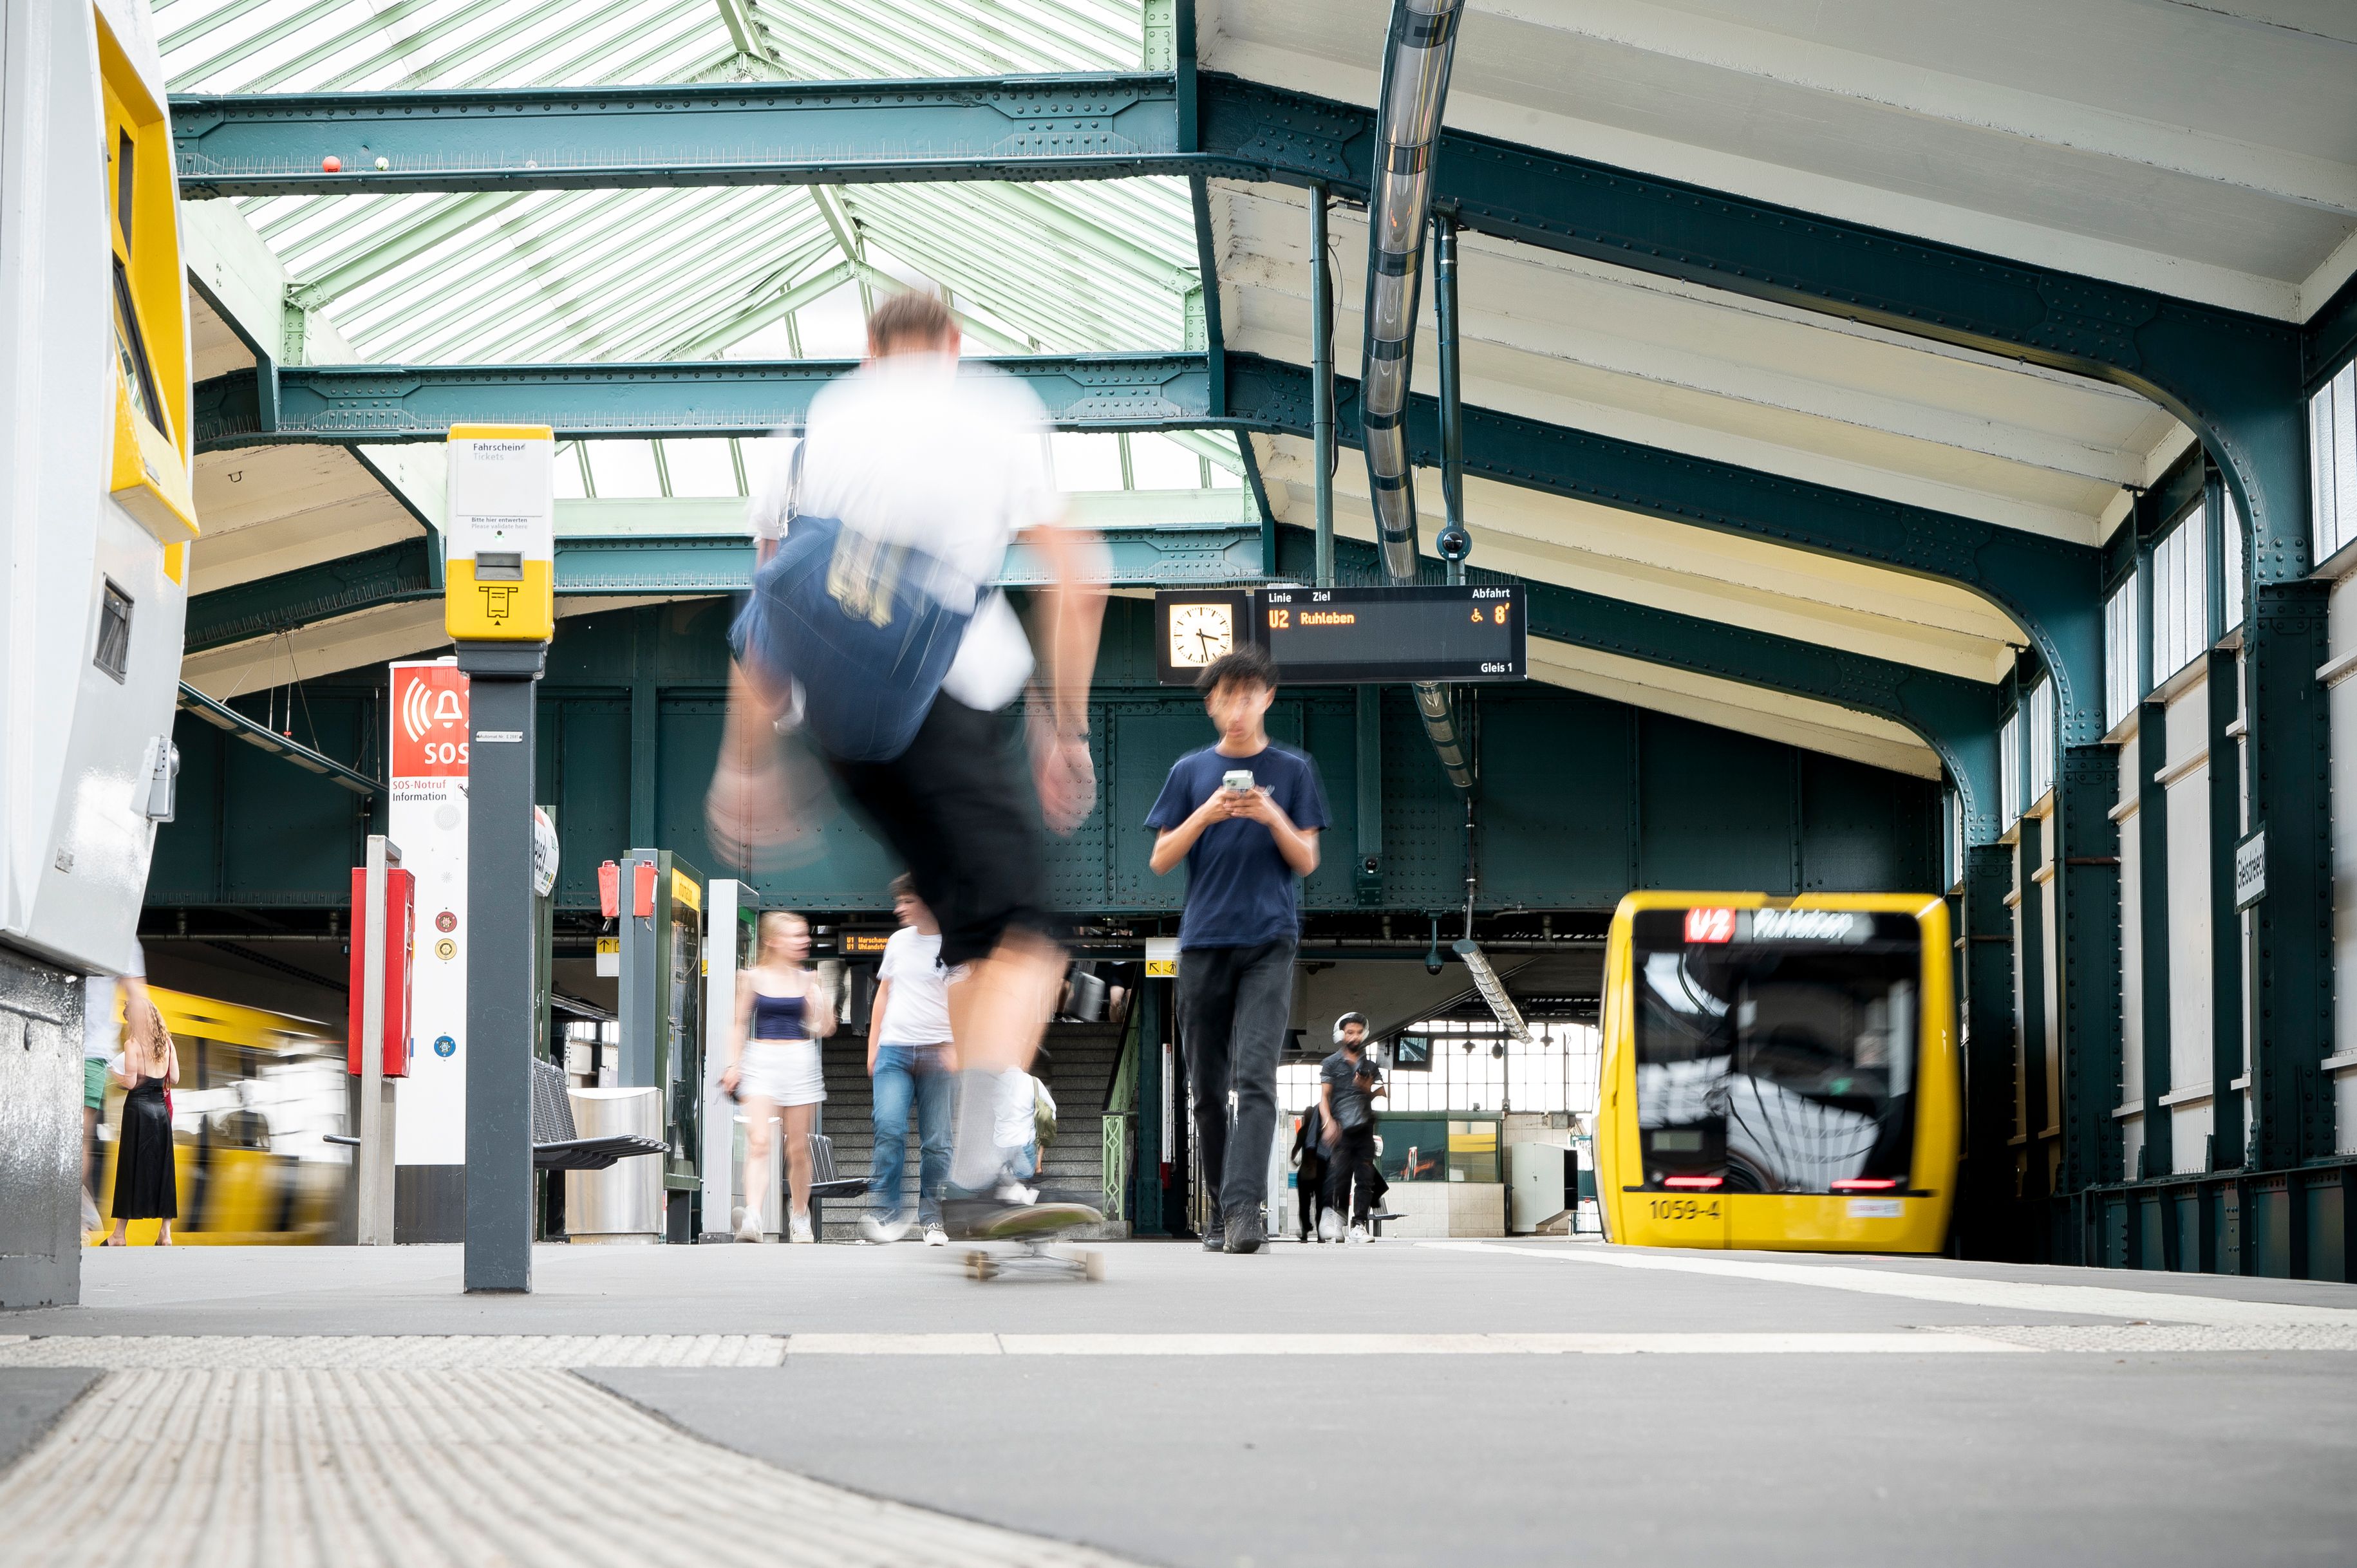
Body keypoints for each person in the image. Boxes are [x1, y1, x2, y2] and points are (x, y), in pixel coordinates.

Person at [708, 290, 1105, 1238]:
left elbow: (767, 605)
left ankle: (973, 1176)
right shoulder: (993, 410)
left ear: (871, 349)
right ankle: (976, 1177)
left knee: (972, 936)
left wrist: (749, 764)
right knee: (1030, 934)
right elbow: (1077, 571)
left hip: (845, 733)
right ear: (954, 346)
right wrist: (1065, 726)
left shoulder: (814, 427)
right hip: (942, 698)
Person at [1146, 642, 1329, 1254]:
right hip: (1201, 944)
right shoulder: (1188, 772)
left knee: (1255, 1078)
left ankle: (1243, 1210)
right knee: (1206, 1089)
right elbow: (1161, 858)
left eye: (1248, 695)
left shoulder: (1294, 770)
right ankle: (1223, 1212)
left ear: (1267, 699)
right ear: (1211, 705)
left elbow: (1305, 859)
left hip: (1268, 943)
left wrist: (1270, 814)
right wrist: (1206, 814)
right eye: (1225, 697)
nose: (1237, 708)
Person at [720, 911, 836, 1243]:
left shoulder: (809, 981)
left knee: (798, 1148)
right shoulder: (752, 978)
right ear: (772, 940)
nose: (805, 941)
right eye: (796, 936)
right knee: (759, 1142)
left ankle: (800, 1216)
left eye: (805, 935)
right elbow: (738, 1023)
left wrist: (822, 1003)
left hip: (799, 1061)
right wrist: (733, 1064)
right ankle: (753, 1217)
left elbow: (824, 1029)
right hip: (761, 1060)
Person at [861, 875, 957, 1246]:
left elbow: (967, 1001)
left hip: (938, 1051)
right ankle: (886, 1215)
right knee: (889, 1128)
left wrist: (958, 1047)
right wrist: (873, 1047)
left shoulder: (954, 943)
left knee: (937, 1142)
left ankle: (932, 1219)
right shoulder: (899, 942)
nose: (899, 908)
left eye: (907, 900)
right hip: (894, 1051)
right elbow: (884, 994)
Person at [81, 946, 150, 1234]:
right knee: (78, 1139)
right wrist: (145, 1052)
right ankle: (72, 1210)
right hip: (91, 1054)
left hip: (44, 1039)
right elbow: (137, 995)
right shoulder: (123, 932)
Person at [104, 1002, 178, 1246]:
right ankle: (165, 1234)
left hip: (138, 1110)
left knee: (130, 1167)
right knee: (165, 1170)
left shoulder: (133, 1045)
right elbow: (174, 1078)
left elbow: (131, 1082)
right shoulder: (168, 1043)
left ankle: (119, 1235)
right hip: (161, 1112)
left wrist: (113, 1072)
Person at [1319, 1013, 1380, 1243]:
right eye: (1349, 1032)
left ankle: (1359, 1225)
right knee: (1341, 1176)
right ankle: (1337, 1221)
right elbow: (1324, 1098)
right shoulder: (1331, 1064)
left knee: (1366, 1178)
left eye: (1358, 1032)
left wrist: (1368, 1090)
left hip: (1365, 1130)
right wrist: (1328, 1123)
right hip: (1341, 1131)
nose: (1354, 1036)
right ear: (1341, 1035)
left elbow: (1384, 1094)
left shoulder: (1372, 1066)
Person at [1290, 1103, 1328, 1242]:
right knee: (1320, 1204)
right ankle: (1320, 1235)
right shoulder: (1322, 1131)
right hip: (1319, 1174)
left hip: (1305, 1172)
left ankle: (1305, 1232)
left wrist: (1295, 1162)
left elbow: (1294, 1152)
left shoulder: (1303, 1131)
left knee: (1304, 1205)